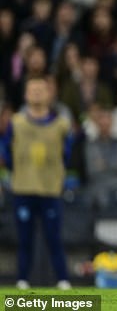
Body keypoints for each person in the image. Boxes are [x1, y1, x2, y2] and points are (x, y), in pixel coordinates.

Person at [1, 76, 73, 289]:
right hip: (23, 188)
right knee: (24, 239)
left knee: (54, 238)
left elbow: (68, 154)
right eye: (32, 90)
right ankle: (22, 280)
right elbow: (7, 152)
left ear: (50, 94)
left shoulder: (61, 124)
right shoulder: (16, 123)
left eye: (41, 90)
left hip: (50, 189)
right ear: (25, 95)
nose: (37, 94)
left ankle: (63, 280)